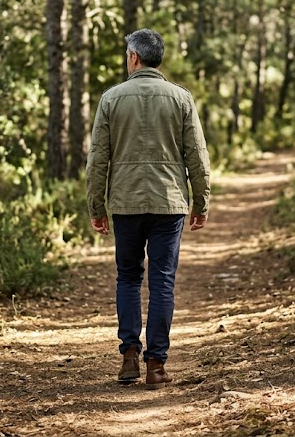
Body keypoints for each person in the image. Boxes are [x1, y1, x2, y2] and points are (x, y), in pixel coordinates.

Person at [85, 28, 211, 390]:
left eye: (127, 55)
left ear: (134, 58)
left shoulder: (111, 98)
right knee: (162, 282)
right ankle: (156, 365)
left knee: (127, 277)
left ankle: (129, 357)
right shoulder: (181, 98)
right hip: (168, 203)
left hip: (125, 203)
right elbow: (197, 157)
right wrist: (200, 202)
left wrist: (97, 206)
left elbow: (98, 159)